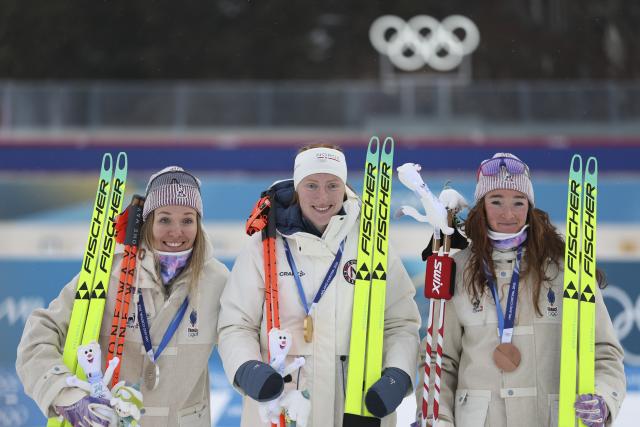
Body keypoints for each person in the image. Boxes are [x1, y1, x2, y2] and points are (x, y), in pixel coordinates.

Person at [217, 143, 421, 427]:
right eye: (311, 185)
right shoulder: (265, 245)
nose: (322, 196)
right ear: (297, 186)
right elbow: (236, 324)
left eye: (332, 185)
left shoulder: (372, 244)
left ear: (344, 186)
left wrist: (398, 374)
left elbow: (400, 324)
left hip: (357, 405)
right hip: (283, 405)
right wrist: (246, 368)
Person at [421, 153, 625, 427]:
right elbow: (439, 359)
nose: (508, 213)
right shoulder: (458, 270)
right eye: (496, 202)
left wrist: (604, 397)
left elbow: (604, 351)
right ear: (481, 207)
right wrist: (437, 419)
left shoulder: (566, 271)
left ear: (529, 207)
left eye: (518, 202)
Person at [16, 166, 229, 426]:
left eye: (187, 220)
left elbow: (246, 334)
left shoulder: (217, 280)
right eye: (164, 219)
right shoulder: (108, 274)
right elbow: (38, 336)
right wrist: (66, 394)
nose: (177, 231)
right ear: (148, 222)